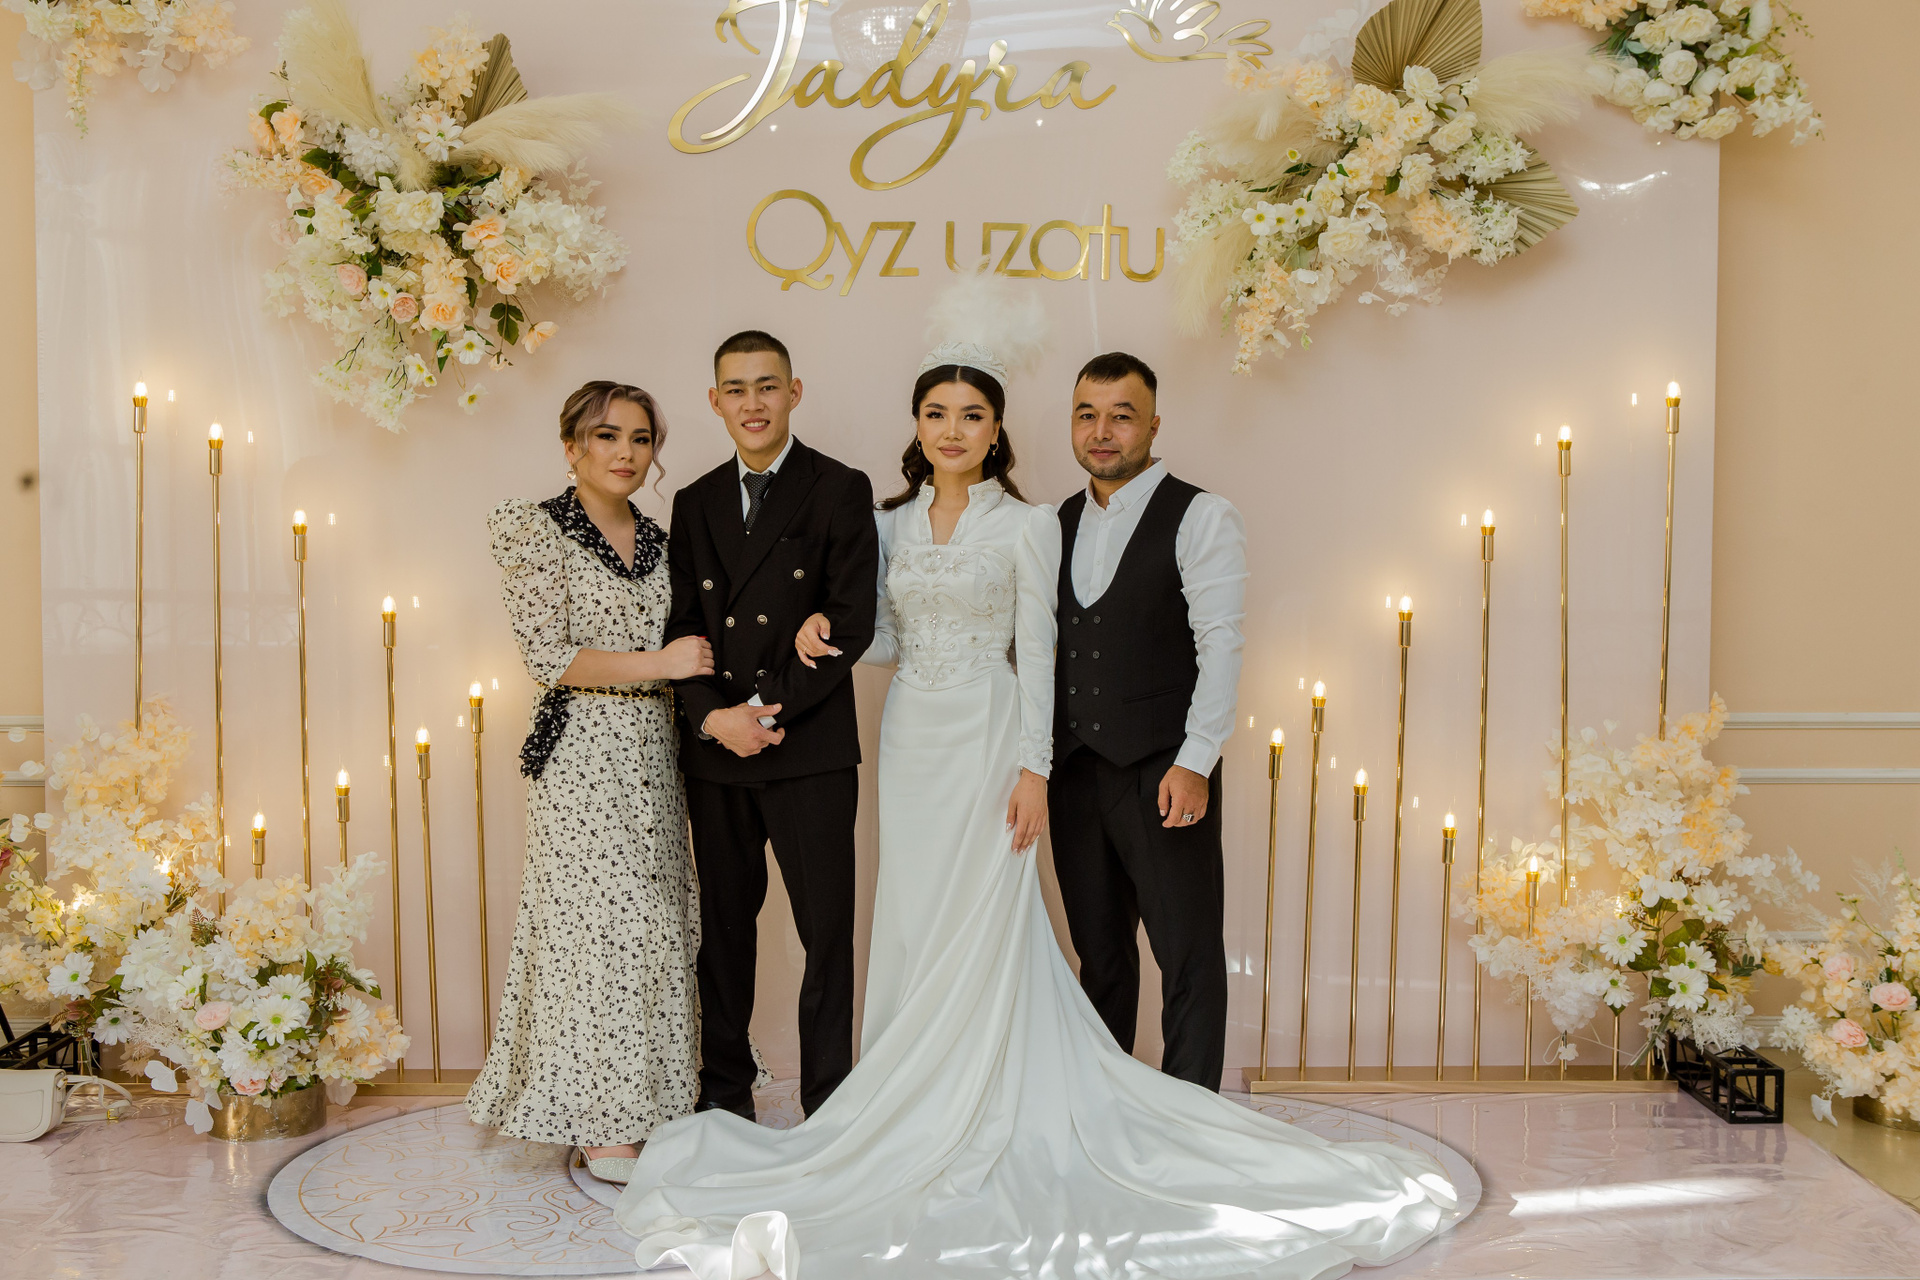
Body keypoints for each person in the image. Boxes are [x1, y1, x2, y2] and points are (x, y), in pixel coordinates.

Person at [611, 335, 1456, 1280]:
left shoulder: (1030, 525)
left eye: (972, 415)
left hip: (989, 729)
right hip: (912, 735)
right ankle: (906, 1093)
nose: (953, 430)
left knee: (988, 911)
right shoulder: (889, 523)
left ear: (998, 429)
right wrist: (824, 631)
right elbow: (882, 633)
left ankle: (1007, 1095)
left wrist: (1033, 769)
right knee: (912, 914)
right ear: (917, 427)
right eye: (937, 414)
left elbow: (1040, 654)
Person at [467, 381, 713, 1187]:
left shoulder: (663, 540)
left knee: (655, 923)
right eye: (607, 436)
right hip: (582, 753)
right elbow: (548, 655)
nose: (625, 453)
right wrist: (663, 663)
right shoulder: (536, 528)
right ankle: (601, 1122)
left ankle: (655, 1105)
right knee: (595, 928)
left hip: (655, 754)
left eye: (641, 439)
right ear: (572, 446)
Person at [663, 330, 879, 1123]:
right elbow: (681, 628)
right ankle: (725, 1099)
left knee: (826, 934)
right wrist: (714, 718)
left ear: (794, 392)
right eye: (736, 389)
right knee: (722, 933)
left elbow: (850, 622)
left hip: (807, 746)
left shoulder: (839, 487)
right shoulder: (694, 502)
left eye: (766, 386)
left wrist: (764, 711)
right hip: (719, 750)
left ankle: (829, 1104)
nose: (752, 403)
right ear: (714, 401)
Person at [1048, 351, 1249, 1091]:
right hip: (1075, 772)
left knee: (1186, 951)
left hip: (1165, 767)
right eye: (1087, 415)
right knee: (1099, 954)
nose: (1102, 432)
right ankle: (1109, 1105)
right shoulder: (1057, 521)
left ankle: (1192, 1112)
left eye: (1121, 417)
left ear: (1154, 426)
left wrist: (1196, 761)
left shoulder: (1201, 515)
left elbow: (1221, 643)